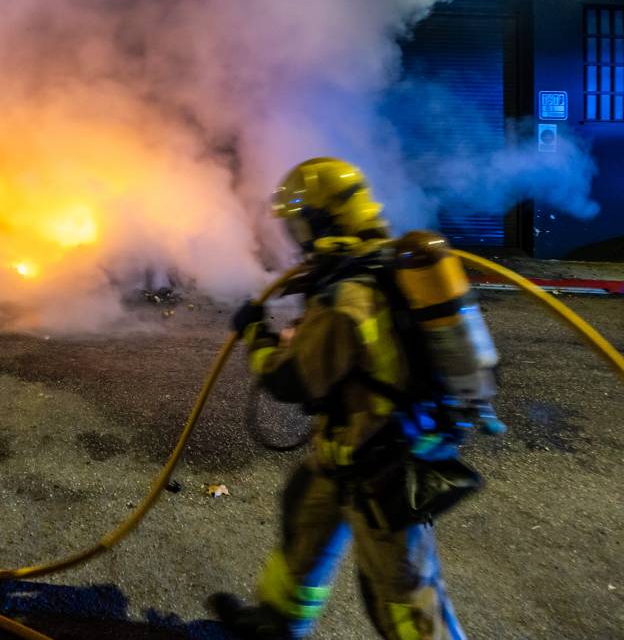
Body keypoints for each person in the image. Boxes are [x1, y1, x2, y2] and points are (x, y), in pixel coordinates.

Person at [211, 157, 502, 640]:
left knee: (405, 595)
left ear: (321, 220)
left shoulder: (348, 296)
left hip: (384, 467)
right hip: (349, 453)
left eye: (300, 224)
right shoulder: (379, 267)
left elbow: (291, 381)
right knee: (305, 524)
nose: (297, 237)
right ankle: (278, 623)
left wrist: (256, 336)